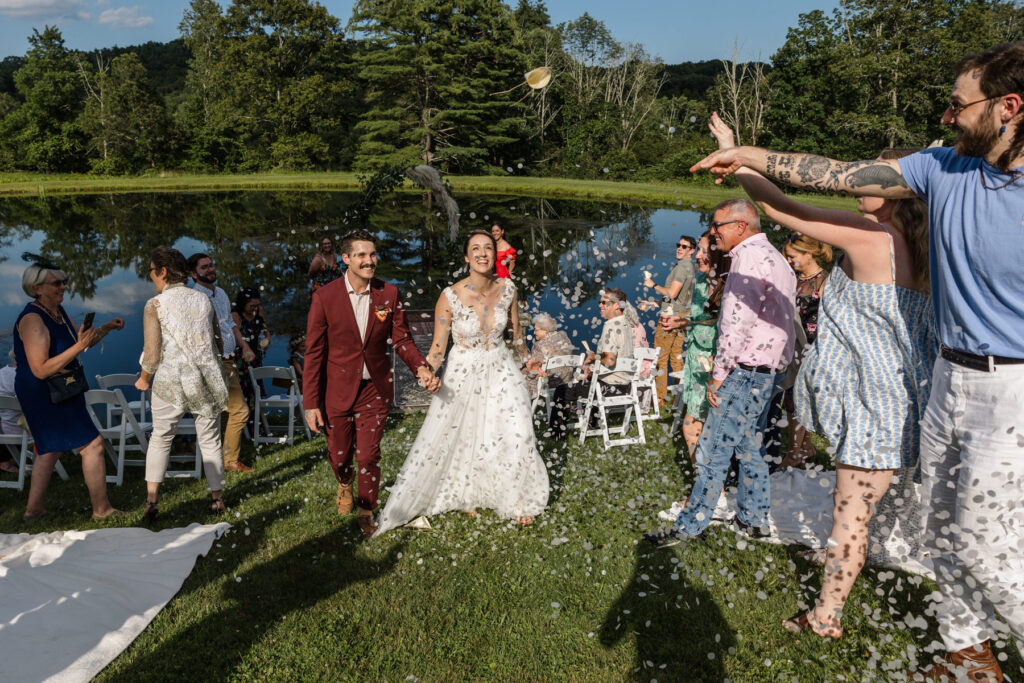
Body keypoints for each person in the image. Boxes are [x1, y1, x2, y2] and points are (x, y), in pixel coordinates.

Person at [690, 44, 1024, 677]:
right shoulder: (940, 169)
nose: (948, 117)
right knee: (946, 539)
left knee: (985, 550)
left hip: (1010, 387)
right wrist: (746, 155)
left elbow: (794, 207)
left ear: (1008, 108)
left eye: (959, 105)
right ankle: (967, 661)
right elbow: (830, 174)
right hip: (946, 381)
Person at [704, 114, 934, 639]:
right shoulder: (929, 247)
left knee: (849, 513)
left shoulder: (871, 238)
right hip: (907, 396)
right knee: (871, 506)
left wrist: (736, 154)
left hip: (872, 402)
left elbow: (780, 208)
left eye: (874, 173)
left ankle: (826, 615)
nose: (859, 178)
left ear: (898, 191)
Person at [375, 230, 549, 534]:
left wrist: (526, 360)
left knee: (516, 430)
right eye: (475, 249)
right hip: (463, 370)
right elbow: (439, 348)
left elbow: (517, 336)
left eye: (488, 248)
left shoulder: (509, 289)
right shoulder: (450, 296)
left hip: (501, 366)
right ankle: (468, 491)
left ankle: (517, 497)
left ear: (495, 255)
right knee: (465, 431)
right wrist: (426, 372)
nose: (482, 253)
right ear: (466, 257)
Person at [645, 198, 796, 546]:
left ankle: (688, 526)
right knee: (749, 445)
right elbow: (787, 320)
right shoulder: (777, 259)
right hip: (767, 372)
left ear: (740, 226)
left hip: (742, 371)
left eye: (718, 226)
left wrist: (718, 376)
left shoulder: (745, 259)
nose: (713, 233)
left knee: (712, 450)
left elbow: (735, 324)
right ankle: (754, 519)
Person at [303, 229, 440, 538]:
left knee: (368, 454)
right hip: (336, 390)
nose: (369, 261)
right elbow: (314, 352)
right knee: (340, 455)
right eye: (362, 255)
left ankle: (367, 508)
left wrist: (420, 367)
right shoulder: (324, 297)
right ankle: (344, 483)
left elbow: (401, 338)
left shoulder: (389, 294)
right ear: (346, 258)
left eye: (373, 254)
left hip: (375, 389)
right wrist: (311, 402)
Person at [13, 257, 125, 521]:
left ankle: (34, 511)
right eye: (56, 283)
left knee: (49, 449)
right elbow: (40, 368)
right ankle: (102, 510)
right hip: (42, 391)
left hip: (63, 387)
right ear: (36, 288)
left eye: (64, 282)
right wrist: (78, 346)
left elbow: (80, 343)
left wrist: (106, 329)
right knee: (93, 445)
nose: (63, 287)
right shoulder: (32, 319)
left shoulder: (57, 312)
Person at [135, 247, 229, 523]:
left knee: (161, 437)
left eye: (152, 272)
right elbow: (218, 343)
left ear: (163, 272)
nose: (151, 277)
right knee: (210, 439)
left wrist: (143, 379)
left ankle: (152, 500)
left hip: (171, 381)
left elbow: (152, 353)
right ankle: (217, 499)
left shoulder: (155, 305)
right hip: (204, 378)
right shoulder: (203, 300)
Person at [188, 252, 254, 473]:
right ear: (193, 274)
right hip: (214, 364)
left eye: (211, 265)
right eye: (204, 267)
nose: (210, 269)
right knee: (241, 411)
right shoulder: (196, 298)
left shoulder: (221, 293)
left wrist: (243, 345)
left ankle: (223, 457)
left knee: (227, 412)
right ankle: (230, 460)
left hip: (230, 360)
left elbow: (231, 326)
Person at [779, 234, 832, 469]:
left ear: (808, 254)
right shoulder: (794, 278)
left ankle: (793, 455)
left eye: (793, 257)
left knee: (796, 404)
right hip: (791, 348)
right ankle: (806, 447)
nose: (789, 261)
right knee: (795, 402)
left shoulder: (825, 282)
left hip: (812, 353)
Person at [642, 235, 696, 405]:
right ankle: (679, 397)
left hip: (669, 320)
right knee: (676, 357)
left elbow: (672, 293)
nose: (679, 248)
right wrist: (654, 304)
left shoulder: (681, 268)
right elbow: (678, 299)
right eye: (678, 245)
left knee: (660, 358)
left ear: (692, 251)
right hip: (682, 317)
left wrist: (653, 285)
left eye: (684, 246)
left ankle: (660, 398)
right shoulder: (689, 267)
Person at [231, 287, 269, 404]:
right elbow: (237, 336)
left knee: (256, 392)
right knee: (243, 394)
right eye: (252, 306)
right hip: (241, 359)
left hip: (256, 358)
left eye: (257, 305)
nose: (255, 308)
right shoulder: (235, 315)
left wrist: (267, 340)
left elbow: (266, 330)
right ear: (243, 303)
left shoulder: (259, 312)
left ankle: (257, 420)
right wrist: (246, 347)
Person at [0, 351, 24, 473]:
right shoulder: (27, 375)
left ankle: (4, 462)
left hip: (6, 429)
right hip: (26, 430)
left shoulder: (2, 373)